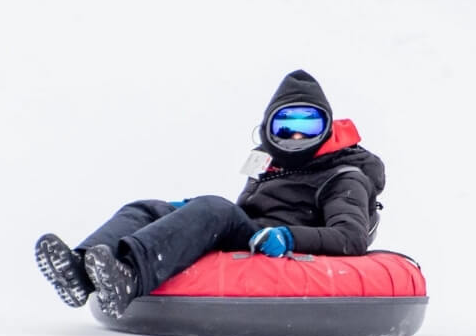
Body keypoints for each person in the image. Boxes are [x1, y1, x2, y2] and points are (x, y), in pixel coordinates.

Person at [35, 70, 386, 318]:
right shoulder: (269, 165)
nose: (296, 137)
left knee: (215, 209)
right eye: (285, 126)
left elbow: (351, 237)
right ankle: (80, 271)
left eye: (308, 125)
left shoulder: (343, 175)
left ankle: (130, 276)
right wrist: (185, 211)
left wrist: (289, 237)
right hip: (254, 233)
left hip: (280, 242)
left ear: (326, 129)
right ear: (268, 129)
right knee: (146, 208)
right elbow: (246, 212)